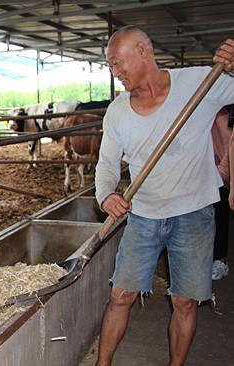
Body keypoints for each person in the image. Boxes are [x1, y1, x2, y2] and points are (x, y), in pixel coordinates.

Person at [94, 26, 234, 366]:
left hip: (195, 214)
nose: (115, 72)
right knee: (121, 295)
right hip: (143, 215)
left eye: (117, 62)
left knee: (185, 301)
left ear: (143, 51)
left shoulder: (202, 83)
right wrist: (106, 194)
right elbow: (107, 164)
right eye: (110, 66)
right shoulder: (118, 112)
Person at [211, 107, 232, 280]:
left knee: (220, 210)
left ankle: (220, 259)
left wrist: (222, 173)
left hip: (220, 170)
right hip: (207, 169)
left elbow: (229, 145)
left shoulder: (221, 115)